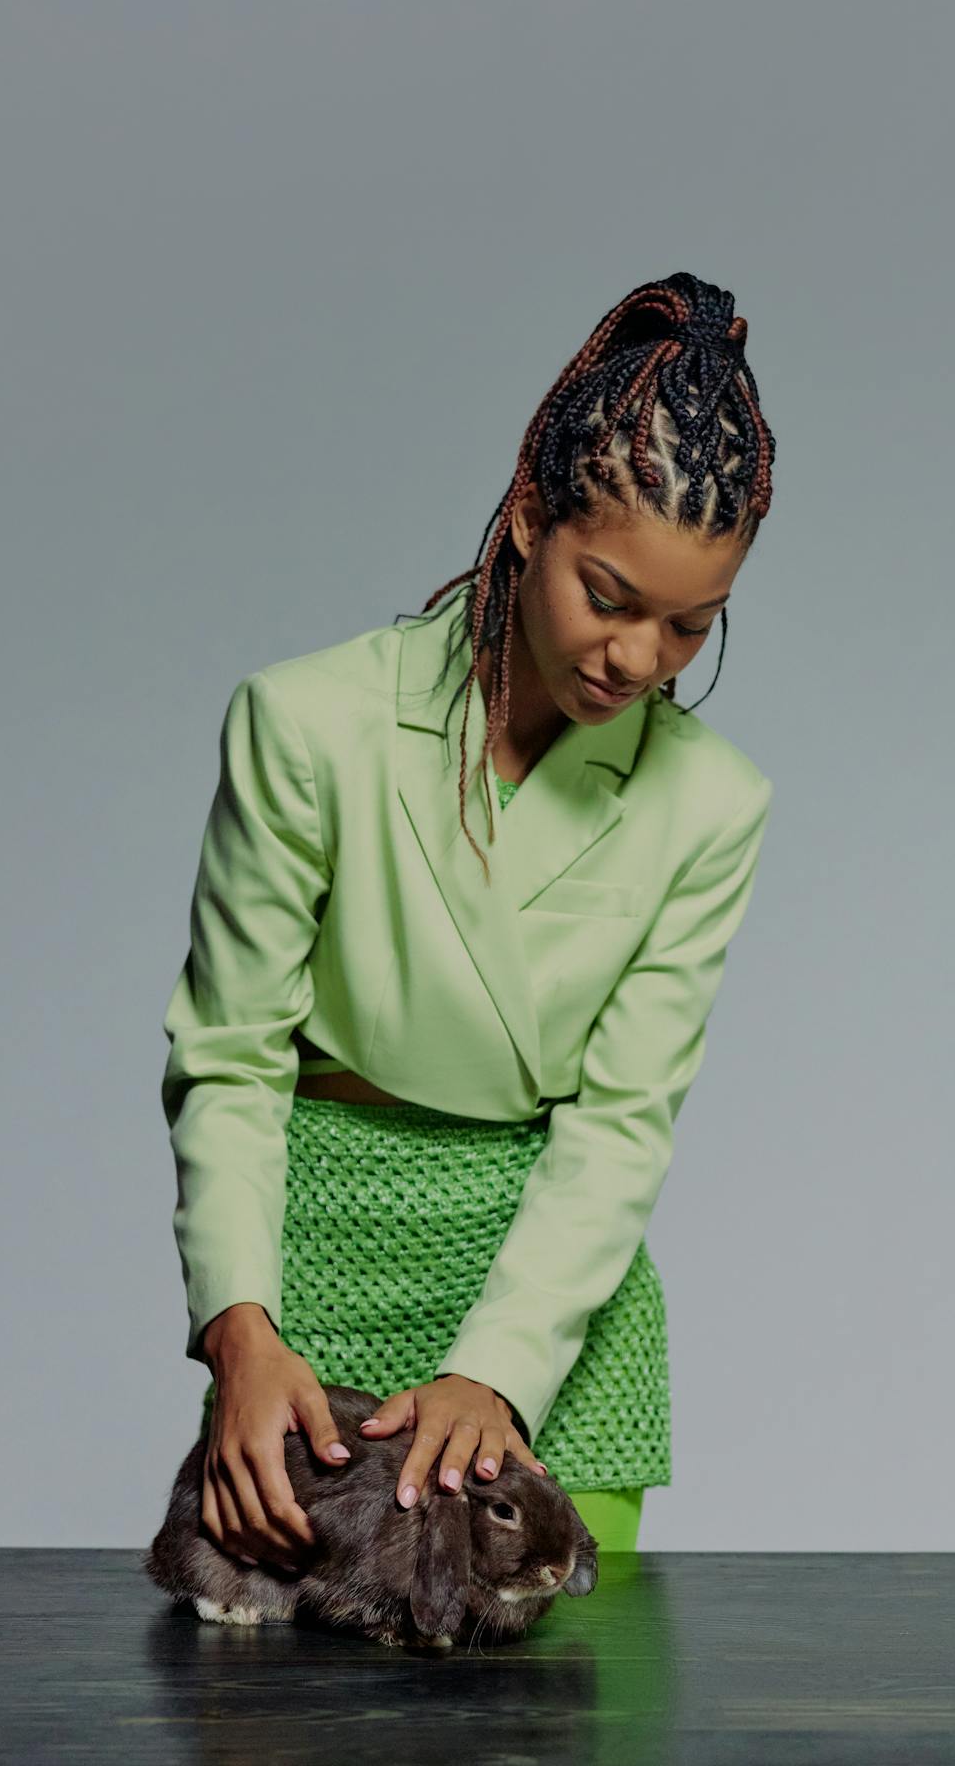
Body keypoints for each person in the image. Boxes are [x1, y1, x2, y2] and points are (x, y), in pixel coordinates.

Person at [160, 269, 778, 1574]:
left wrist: (497, 1373)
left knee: (563, 1704)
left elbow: (622, 1125)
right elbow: (229, 1053)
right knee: (285, 1704)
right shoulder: (307, 723)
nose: (639, 658)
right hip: (310, 1270)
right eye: (608, 596)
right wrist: (241, 1329)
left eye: (690, 626)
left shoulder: (715, 804)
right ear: (525, 516)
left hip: (555, 1302)